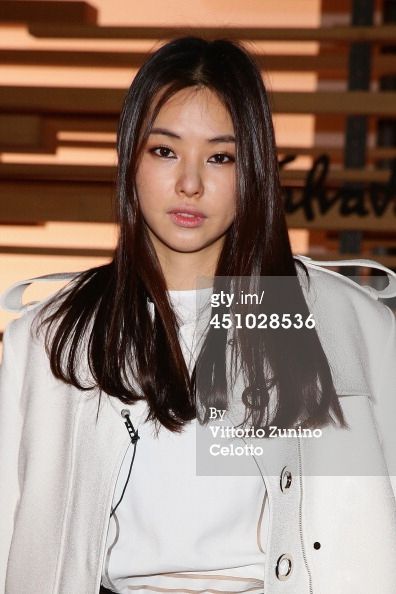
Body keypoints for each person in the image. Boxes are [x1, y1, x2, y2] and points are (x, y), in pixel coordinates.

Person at [0, 36, 396, 594]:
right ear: (130, 158)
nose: (190, 183)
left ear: (253, 168)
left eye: (220, 156)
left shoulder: (342, 325)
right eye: (164, 151)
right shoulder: (53, 339)